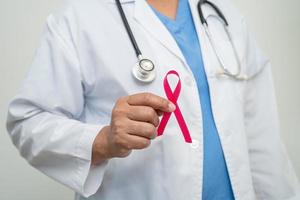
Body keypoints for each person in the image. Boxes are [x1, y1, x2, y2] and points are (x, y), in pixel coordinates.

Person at [6, 0, 300, 199]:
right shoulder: (81, 19)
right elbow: (27, 121)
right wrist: (102, 140)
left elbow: (262, 141)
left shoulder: (224, 16)